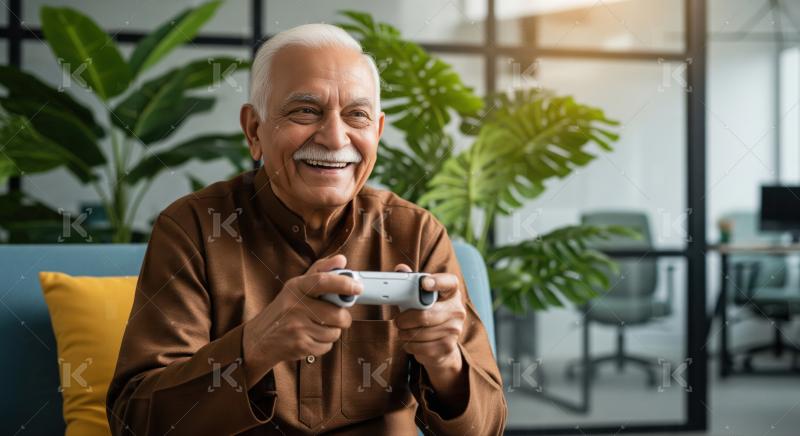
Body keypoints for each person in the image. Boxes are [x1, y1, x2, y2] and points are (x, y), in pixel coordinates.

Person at [107, 23, 506, 435]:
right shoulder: (192, 228)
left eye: (357, 115)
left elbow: (487, 428)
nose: (334, 138)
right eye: (305, 111)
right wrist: (254, 348)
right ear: (254, 130)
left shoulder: (416, 233)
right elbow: (133, 422)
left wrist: (446, 364)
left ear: (377, 132)